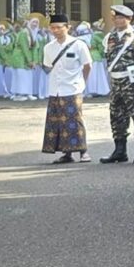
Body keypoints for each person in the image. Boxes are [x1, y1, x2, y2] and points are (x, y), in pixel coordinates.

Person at [98, 5, 134, 163]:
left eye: (122, 18)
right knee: (117, 115)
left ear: (129, 19)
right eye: (116, 18)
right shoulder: (109, 38)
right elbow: (107, 57)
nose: (119, 20)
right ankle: (120, 150)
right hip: (116, 81)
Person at [40, 14, 93, 165]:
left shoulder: (78, 45)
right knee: (58, 122)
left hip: (72, 88)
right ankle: (66, 153)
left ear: (68, 27)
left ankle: (83, 151)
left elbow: (87, 65)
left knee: (75, 120)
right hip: (55, 89)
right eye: (53, 28)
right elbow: (48, 66)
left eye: (59, 27)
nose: (56, 30)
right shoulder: (48, 47)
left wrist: (82, 81)